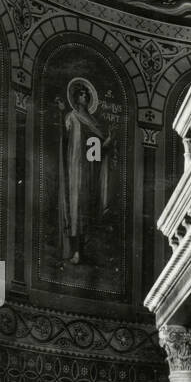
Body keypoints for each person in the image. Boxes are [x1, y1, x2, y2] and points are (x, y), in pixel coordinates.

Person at [57, 80, 112, 266]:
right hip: (74, 169)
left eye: (87, 94)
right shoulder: (71, 117)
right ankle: (75, 251)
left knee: (84, 210)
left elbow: (94, 153)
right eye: (82, 93)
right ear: (76, 98)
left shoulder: (93, 122)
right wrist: (60, 113)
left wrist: (107, 143)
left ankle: (82, 250)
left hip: (86, 172)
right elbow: (64, 141)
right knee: (74, 209)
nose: (85, 96)